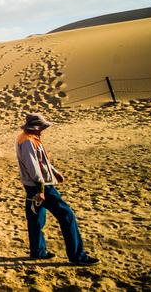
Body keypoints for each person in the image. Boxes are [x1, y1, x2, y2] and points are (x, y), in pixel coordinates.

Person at [16, 113, 99, 266]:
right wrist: (40, 189)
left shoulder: (29, 139)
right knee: (67, 215)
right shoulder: (28, 141)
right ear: (36, 127)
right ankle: (77, 255)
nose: (42, 130)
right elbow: (33, 166)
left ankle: (38, 251)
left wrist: (54, 171)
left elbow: (41, 161)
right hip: (41, 186)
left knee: (36, 218)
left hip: (36, 185)